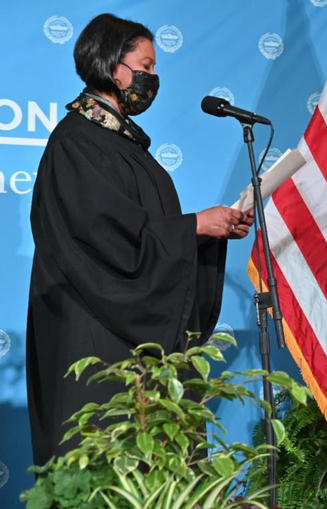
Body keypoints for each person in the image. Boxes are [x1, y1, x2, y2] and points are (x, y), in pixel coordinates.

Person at [26, 13, 254, 466]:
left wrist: (209, 232)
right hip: (96, 336)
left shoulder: (123, 145)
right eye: (145, 66)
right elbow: (105, 236)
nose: (153, 78)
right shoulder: (78, 142)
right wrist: (193, 226)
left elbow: (146, 236)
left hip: (133, 340)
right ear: (115, 69)